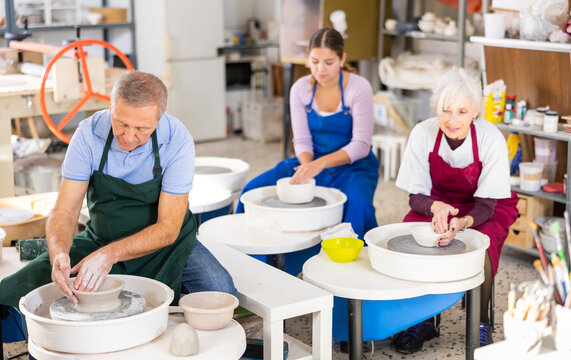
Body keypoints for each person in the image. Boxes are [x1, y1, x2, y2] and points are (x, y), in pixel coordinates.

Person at [0, 71, 235, 308]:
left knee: (220, 289)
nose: (129, 137)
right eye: (121, 123)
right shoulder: (88, 135)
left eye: (142, 129)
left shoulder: (176, 139)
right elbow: (65, 211)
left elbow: (168, 229)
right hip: (102, 239)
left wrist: (110, 255)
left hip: (168, 247)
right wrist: (59, 253)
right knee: (21, 285)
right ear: (110, 107)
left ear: (159, 119)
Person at [393, 67, 518, 351]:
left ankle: (482, 323)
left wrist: (461, 224)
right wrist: (436, 207)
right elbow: (416, 197)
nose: (452, 120)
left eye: (462, 112)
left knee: (481, 246)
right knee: (412, 238)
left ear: (475, 111)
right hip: (436, 202)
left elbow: (487, 204)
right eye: (445, 110)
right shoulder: (422, 133)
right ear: (435, 107)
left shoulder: (490, 138)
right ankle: (421, 319)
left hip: (485, 206)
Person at [236, 28, 379, 239]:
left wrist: (318, 165)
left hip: (353, 167)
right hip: (310, 161)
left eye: (328, 62)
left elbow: (360, 145)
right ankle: (251, 250)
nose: (320, 69)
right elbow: (302, 139)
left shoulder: (359, 88)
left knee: (357, 207)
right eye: (314, 61)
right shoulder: (300, 89)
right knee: (252, 190)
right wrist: (306, 167)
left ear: (342, 59)